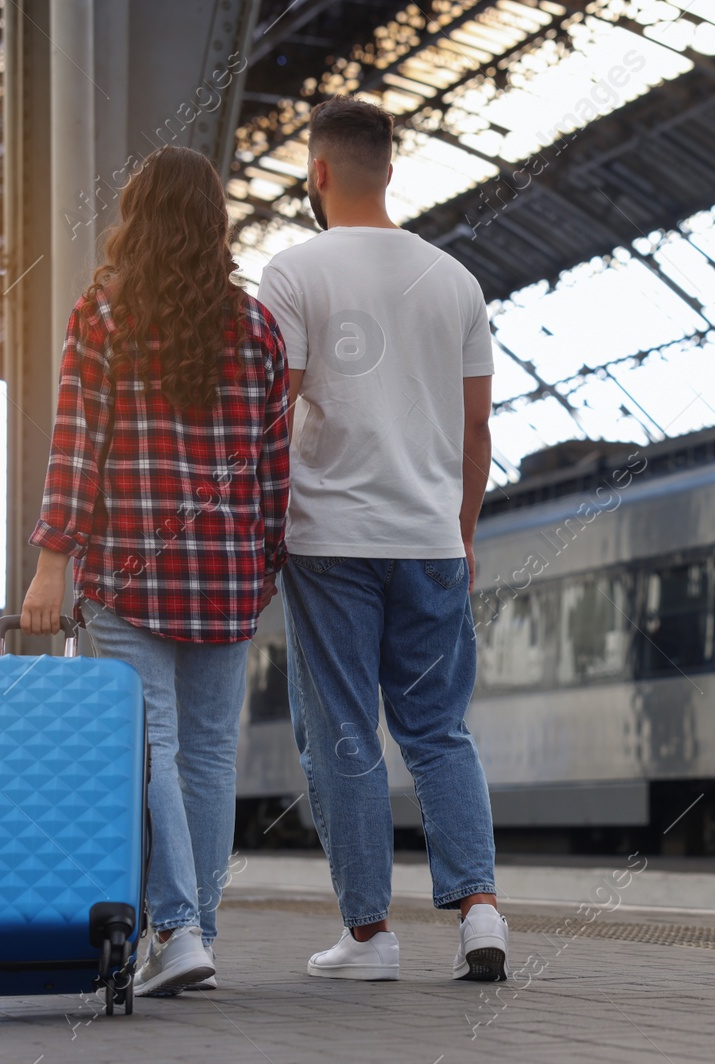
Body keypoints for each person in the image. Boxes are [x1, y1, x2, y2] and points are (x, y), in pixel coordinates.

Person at [21, 146, 290, 997]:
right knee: (208, 758)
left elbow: (77, 447)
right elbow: (274, 466)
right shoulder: (256, 328)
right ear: (216, 225)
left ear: (135, 221)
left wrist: (48, 565)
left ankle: (176, 928)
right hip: (227, 575)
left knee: (154, 753)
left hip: (132, 573)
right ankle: (196, 932)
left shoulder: (103, 314)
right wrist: (265, 559)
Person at [257, 95, 506, 983]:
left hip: (330, 542)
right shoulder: (455, 281)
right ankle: (480, 912)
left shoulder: (292, 274)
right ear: (390, 169)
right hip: (432, 540)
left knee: (346, 735)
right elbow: (478, 433)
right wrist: (463, 532)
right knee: (440, 730)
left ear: (317, 172)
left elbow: (269, 412)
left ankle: (369, 936)